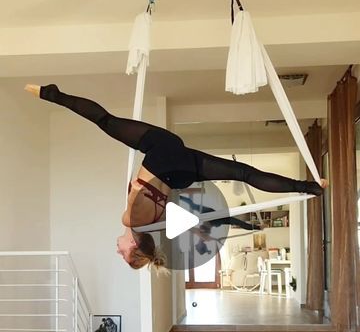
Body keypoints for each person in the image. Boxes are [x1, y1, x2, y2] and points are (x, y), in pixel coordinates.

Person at [25, 84, 328, 271]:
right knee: (106, 122)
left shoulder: (151, 225)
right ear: (133, 247)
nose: (117, 250)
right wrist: (132, 191)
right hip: (164, 153)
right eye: (123, 254)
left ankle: (309, 188)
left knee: (244, 173)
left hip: (180, 173)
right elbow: (135, 192)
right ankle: (55, 95)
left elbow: (156, 203)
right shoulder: (132, 222)